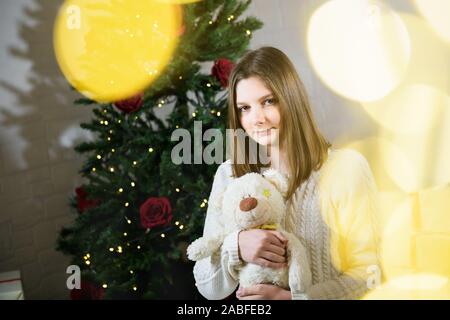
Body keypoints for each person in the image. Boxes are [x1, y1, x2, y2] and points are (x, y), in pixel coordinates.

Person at [192, 46, 380, 300]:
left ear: (291, 98)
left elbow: (370, 276)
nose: (256, 119)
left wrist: (296, 299)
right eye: (244, 108)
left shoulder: (346, 170)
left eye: (268, 101)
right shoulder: (230, 175)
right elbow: (207, 286)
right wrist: (235, 247)